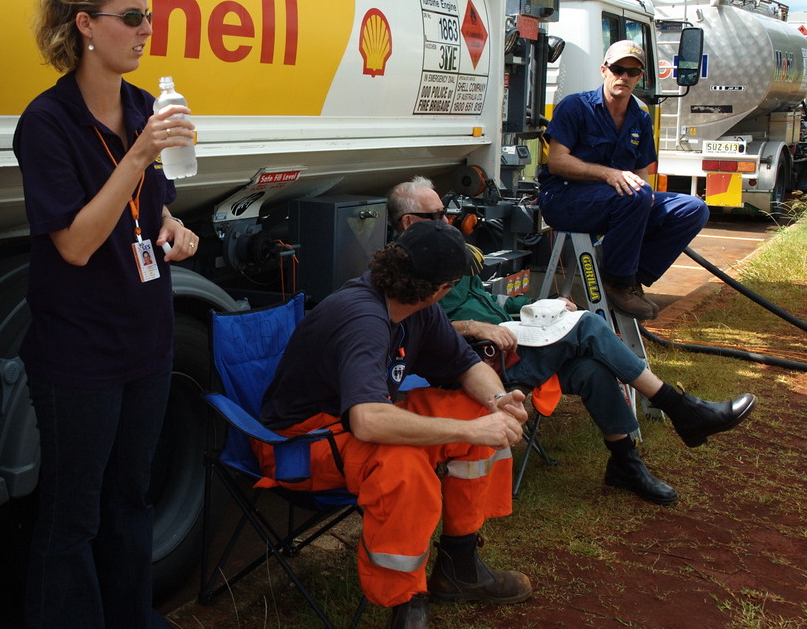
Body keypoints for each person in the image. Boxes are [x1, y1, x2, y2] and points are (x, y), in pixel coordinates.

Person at [13, 0, 200, 629]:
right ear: (86, 25)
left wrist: (176, 229)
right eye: (131, 17)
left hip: (145, 340)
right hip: (79, 353)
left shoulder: (143, 105)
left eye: (149, 15)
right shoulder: (47, 123)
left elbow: (151, 207)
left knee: (132, 502)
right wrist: (140, 151)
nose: (146, 29)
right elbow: (76, 241)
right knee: (73, 518)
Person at [389, 177, 756, 505]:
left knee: (590, 368)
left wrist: (535, 304)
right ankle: (679, 408)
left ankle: (625, 463)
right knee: (587, 328)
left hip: (512, 342)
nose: (447, 220)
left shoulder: (443, 252)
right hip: (480, 365)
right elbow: (414, 325)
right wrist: (471, 326)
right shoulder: (405, 270)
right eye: (437, 215)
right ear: (409, 222)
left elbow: (490, 300)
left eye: (446, 212)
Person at [258, 220, 532, 629]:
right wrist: (468, 432)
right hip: (299, 444)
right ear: (441, 288)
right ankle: (406, 604)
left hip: (350, 423)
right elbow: (368, 421)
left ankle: (459, 566)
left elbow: (465, 364)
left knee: (478, 413)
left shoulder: (417, 308)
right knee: (405, 466)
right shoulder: (363, 319)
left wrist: (496, 402)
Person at [538, 39, 711, 319]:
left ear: (640, 77)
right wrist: (609, 174)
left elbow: (640, 173)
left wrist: (648, 201)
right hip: (566, 199)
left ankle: (630, 280)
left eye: (632, 72)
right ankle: (617, 281)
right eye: (618, 69)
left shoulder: (640, 118)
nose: (624, 77)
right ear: (604, 70)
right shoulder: (576, 106)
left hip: (617, 202)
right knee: (635, 195)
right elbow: (557, 161)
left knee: (692, 209)